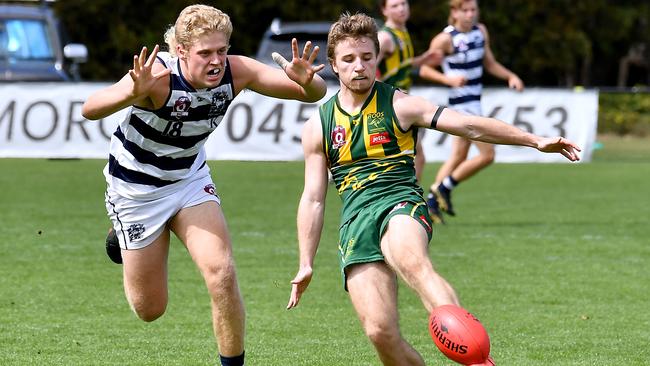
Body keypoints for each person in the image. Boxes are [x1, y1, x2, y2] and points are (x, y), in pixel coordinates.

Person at [286, 12, 579, 366]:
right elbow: (314, 197)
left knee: (412, 261)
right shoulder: (318, 125)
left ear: (377, 58)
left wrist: (534, 140)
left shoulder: (400, 104)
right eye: (348, 59)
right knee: (380, 332)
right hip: (354, 222)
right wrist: (305, 262)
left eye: (367, 57)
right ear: (333, 64)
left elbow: (468, 125)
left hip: (399, 203)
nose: (359, 66)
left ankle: (476, 360)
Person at [81, 5, 326, 366]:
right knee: (150, 309)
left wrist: (307, 81)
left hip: (188, 180)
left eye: (221, 50)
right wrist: (131, 92)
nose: (216, 61)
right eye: (205, 53)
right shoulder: (160, 76)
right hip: (136, 190)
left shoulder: (236, 71)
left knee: (222, 273)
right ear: (181, 50)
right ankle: (122, 231)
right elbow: (90, 108)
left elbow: (312, 94)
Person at [419, 0, 524, 222]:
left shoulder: (480, 31)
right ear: (454, 12)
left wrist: (510, 76)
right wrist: (448, 79)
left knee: (458, 156)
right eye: (465, 10)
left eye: (473, 10)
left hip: (475, 102)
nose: (470, 14)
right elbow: (425, 69)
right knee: (488, 155)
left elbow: (490, 63)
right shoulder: (445, 39)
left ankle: (431, 203)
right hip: (461, 105)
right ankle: (444, 189)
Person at [377, 0, 440, 184]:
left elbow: (401, 65)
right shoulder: (385, 37)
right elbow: (367, 69)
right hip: (389, 107)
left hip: (401, 104)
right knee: (415, 158)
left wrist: (423, 59)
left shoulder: (402, 33)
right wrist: (388, 93)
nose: (401, 8)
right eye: (395, 5)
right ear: (384, 10)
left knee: (415, 158)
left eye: (403, 3)